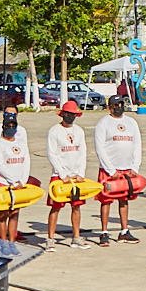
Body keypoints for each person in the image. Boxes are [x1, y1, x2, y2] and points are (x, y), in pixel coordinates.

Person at [45, 100, 94, 248]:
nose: (71, 117)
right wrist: (62, 174)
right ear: (63, 114)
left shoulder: (79, 131)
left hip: (76, 175)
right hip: (59, 176)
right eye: (69, 114)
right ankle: (50, 239)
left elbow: (83, 152)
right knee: (56, 207)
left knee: (76, 207)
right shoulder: (54, 131)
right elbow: (52, 154)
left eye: (74, 114)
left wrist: (81, 173)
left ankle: (76, 237)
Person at [94, 96, 142, 244]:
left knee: (124, 200)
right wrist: (110, 170)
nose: (119, 107)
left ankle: (124, 231)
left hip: (127, 169)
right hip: (109, 170)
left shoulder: (131, 122)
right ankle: (104, 232)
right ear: (110, 107)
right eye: (116, 105)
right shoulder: (104, 123)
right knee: (106, 201)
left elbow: (137, 145)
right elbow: (99, 148)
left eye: (121, 104)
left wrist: (135, 167)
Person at [0, 107, 41, 242]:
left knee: (14, 214)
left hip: (19, 183)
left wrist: (22, 181)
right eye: (8, 126)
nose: (11, 128)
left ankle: (12, 242)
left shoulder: (21, 144)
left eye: (13, 126)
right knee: (3, 214)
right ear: (3, 126)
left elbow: (26, 162)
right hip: (4, 182)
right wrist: (13, 181)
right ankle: (3, 242)